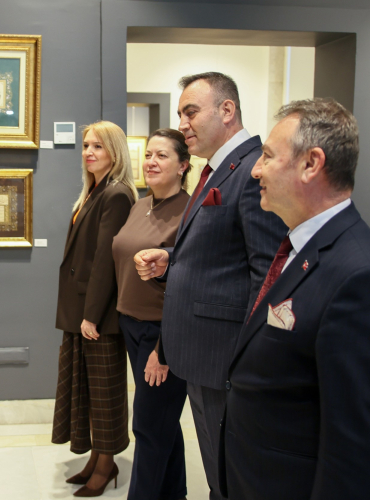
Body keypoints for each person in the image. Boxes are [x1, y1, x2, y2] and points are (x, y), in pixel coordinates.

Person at [219, 98, 370, 500]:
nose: (256, 170)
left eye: (268, 157)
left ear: (311, 164)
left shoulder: (365, 279)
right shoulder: (299, 249)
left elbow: (354, 451)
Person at [133, 72, 286, 500]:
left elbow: (266, 274)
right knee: (218, 469)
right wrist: (172, 260)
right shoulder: (217, 170)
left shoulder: (251, 171)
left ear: (227, 110)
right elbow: (222, 253)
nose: (182, 123)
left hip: (225, 359)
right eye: (180, 113)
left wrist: (249, 361)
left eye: (191, 112)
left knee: (229, 476)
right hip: (203, 354)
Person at [53, 120, 138, 497]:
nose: (88, 152)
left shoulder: (116, 194)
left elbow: (106, 259)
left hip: (98, 315)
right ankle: (95, 458)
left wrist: (91, 314)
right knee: (86, 390)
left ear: (114, 152)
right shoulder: (94, 191)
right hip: (81, 310)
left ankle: (106, 465)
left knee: (104, 394)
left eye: (98, 146)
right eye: (86, 145)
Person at [112, 128, 192, 500]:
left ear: (183, 165)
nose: (151, 162)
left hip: (162, 332)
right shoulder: (138, 205)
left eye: (162, 156)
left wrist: (165, 348)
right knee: (162, 423)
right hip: (131, 324)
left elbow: (189, 285)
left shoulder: (191, 212)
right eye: (148, 155)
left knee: (147, 427)